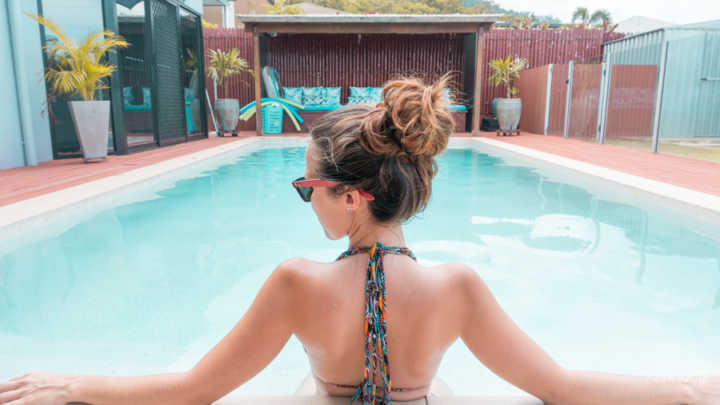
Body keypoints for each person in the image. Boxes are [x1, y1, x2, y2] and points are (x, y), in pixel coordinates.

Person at [0, 75, 717, 405]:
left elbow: (194, 390)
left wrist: (73, 385)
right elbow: (560, 388)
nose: (306, 203)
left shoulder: (295, 284)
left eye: (307, 189)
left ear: (349, 197)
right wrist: (686, 390)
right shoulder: (458, 288)